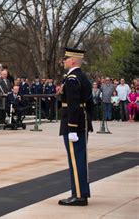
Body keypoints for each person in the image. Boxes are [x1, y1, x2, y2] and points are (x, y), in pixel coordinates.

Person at [58, 47, 93, 206]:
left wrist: (72, 128)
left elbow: (73, 105)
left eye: (65, 59)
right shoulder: (81, 77)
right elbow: (88, 103)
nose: (63, 61)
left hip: (74, 124)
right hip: (81, 123)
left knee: (76, 160)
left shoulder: (72, 78)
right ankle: (81, 192)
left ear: (72, 60)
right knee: (79, 159)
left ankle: (78, 196)